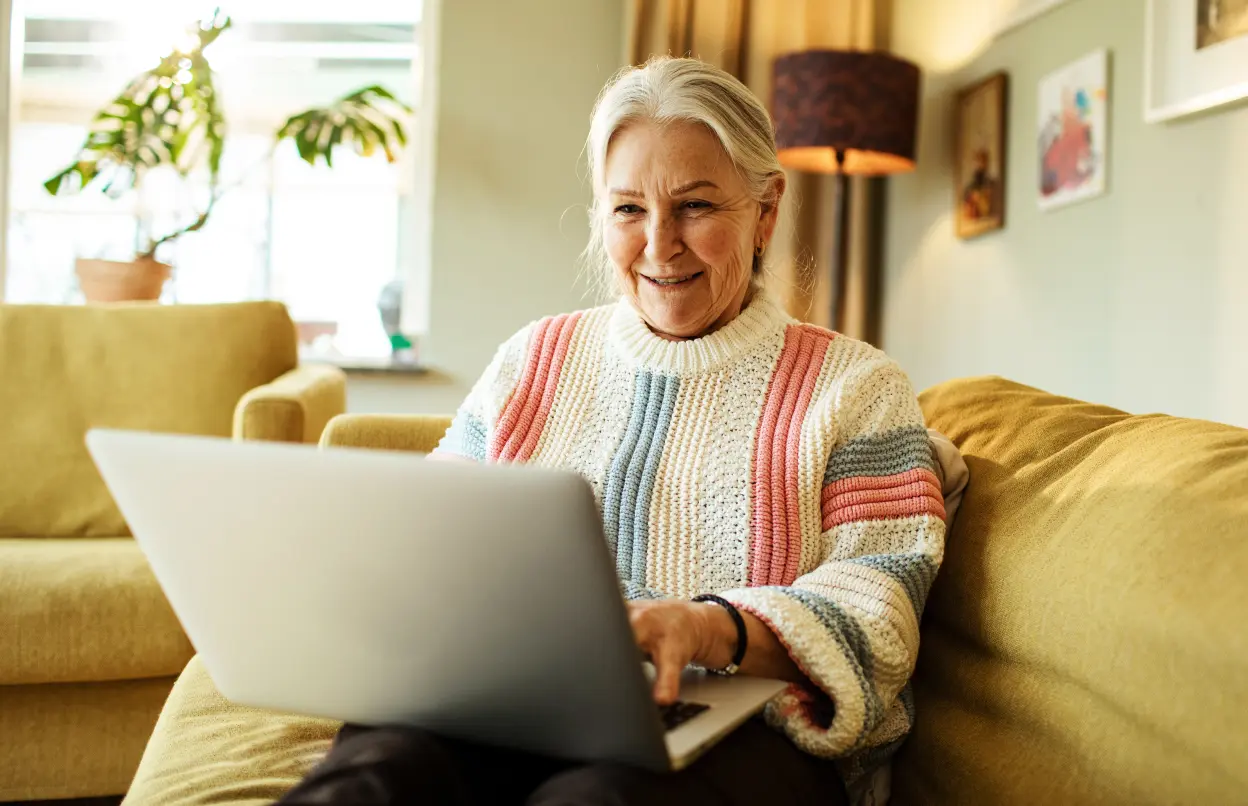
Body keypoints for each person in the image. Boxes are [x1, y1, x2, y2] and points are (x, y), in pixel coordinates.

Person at [278, 56, 961, 806]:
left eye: (696, 206)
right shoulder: (535, 359)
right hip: (516, 701)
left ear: (766, 210)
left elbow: (880, 613)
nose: (660, 245)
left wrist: (709, 629)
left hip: (747, 733)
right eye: (628, 209)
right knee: (377, 777)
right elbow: (436, 535)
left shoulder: (857, 389)